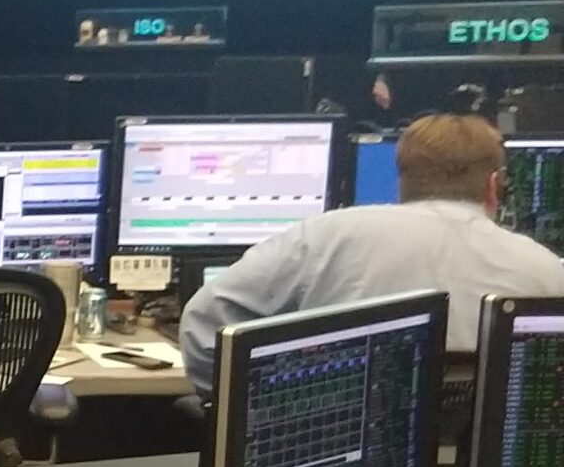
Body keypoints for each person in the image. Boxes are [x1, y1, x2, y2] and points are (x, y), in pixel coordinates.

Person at [178, 112, 564, 391]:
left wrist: (247, 410)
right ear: (493, 185)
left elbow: (203, 325)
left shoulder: (326, 236)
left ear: (403, 179)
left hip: (330, 459)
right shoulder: (547, 271)